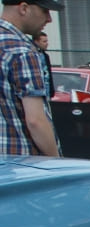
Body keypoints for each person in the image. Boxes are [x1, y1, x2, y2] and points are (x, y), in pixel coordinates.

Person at [1, 0, 58, 157]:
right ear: (24, 8)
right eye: (45, 11)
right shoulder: (22, 51)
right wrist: (58, 163)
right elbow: (35, 121)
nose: (49, 19)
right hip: (22, 166)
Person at [32, 25, 47, 97]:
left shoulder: (45, 55)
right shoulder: (34, 56)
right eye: (44, 41)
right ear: (36, 42)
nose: (47, 43)